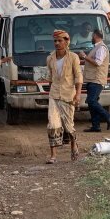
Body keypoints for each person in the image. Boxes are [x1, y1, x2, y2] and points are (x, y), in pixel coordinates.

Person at [46, 30, 82, 164]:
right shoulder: (50, 58)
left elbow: (78, 77)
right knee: (52, 124)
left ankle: (74, 145)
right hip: (54, 95)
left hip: (68, 95)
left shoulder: (73, 57)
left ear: (67, 41)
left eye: (60, 40)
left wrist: (78, 94)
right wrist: (50, 92)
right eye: (55, 41)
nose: (57, 43)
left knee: (68, 125)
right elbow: (50, 78)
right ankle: (53, 155)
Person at [79, 29, 110, 132]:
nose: (91, 38)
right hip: (92, 79)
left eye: (92, 36)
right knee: (91, 103)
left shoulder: (101, 48)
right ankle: (96, 126)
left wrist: (85, 57)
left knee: (92, 101)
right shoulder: (96, 47)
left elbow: (98, 62)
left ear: (95, 35)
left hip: (97, 79)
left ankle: (108, 116)